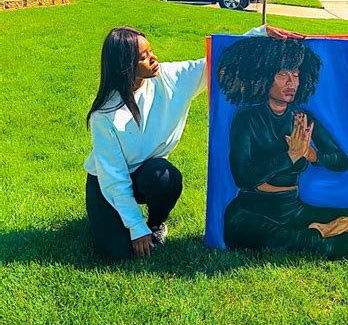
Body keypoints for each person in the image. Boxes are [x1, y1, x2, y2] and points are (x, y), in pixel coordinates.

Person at [84, 23, 287, 260]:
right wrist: (135, 228)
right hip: (107, 181)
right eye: (143, 57)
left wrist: (260, 34)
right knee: (117, 254)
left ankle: (156, 223)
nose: (153, 58)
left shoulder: (170, 78)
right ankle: (110, 216)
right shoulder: (105, 115)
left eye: (150, 51)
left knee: (166, 177)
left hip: (148, 174)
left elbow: (216, 61)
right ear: (125, 66)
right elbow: (115, 179)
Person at [217, 37, 348, 259]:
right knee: (267, 235)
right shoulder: (246, 119)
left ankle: (313, 238)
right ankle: (319, 235)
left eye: (296, 75)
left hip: (292, 209)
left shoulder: (302, 118)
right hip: (250, 211)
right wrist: (290, 156)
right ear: (264, 77)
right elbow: (243, 177)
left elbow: (341, 161)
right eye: (283, 74)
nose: (291, 82)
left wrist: (311, 154)